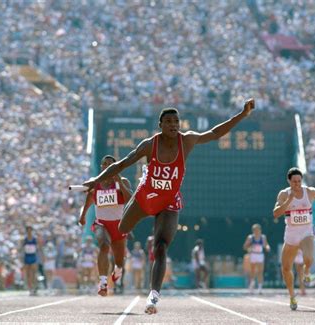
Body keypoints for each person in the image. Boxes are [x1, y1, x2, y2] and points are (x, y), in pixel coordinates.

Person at [83, 98, 255, 314]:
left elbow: (215, 133)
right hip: (144, 196)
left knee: (161, 246)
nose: (174, 125)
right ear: (160, 125)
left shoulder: (188, 140)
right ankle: (118, 265)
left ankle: (153, 296)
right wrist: (97, 180)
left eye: (176, 121)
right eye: (169, 121)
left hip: (169, 201)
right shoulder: (149, 144)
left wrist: (242, 114)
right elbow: (121, 164)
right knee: (121, 230)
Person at [273, 167, 315, 310]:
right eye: (294, 181)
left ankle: (307, 270)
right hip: (291, 234)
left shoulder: (309, 191)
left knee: (308, 258)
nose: (297, 184)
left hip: (306, 232)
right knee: (285, 268)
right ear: (289, 181)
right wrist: (288, 201)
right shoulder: (284, 194)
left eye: (299, 181)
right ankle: (292, 297)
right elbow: (276, 213)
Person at [79, 155, 132, 297]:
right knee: (104, 245)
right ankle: (103, 283)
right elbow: (90, 198)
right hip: (101, 223)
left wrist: (119, 181)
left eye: (110, 164)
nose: (107, 166)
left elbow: (129, 199)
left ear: (116, 167)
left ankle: (118, 270)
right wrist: (83, 215)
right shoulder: (95, 183)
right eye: (104, 163)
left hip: (119, 225)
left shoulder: (123, 181)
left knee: (119, 262)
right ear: (101, 166)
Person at [243, 224, 271, 294]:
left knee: (260, 271)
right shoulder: (250, 237)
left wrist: (267, 247)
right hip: (253, 255)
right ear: (253, 231)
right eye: (255, 230)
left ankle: (260, 288)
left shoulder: (263, 237)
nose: (257, 231)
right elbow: (244, 246)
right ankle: (252, 285)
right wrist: (248, 248)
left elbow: (266, 245)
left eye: (258, 230)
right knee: (252, 271)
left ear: (260, 230)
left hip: (260, 255)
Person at [22, 226, 39, 296]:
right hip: (27, 256)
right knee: (28, 274)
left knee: (34, 273)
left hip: (33, 256)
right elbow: (22, 248)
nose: (29, 232)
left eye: (30, 230)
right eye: (28, 230)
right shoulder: (25, 239)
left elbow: (37, 248)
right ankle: (30, 288)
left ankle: (35, 286)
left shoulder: (34, 239)